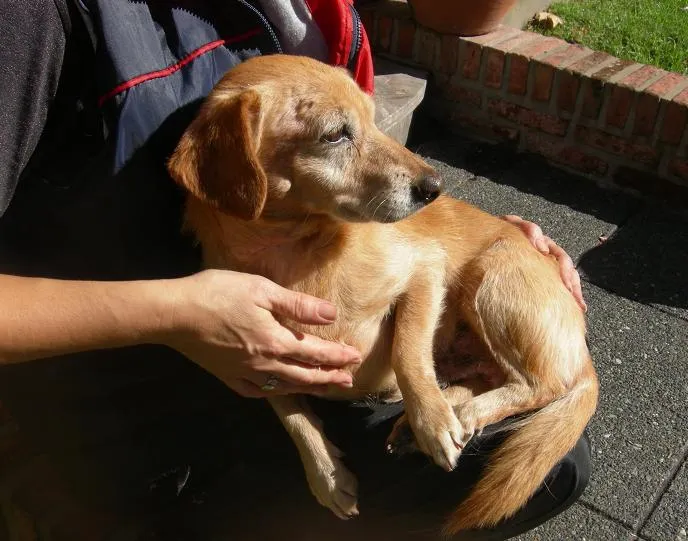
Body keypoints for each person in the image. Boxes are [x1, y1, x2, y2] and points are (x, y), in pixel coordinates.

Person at [0, 1, 589, 539]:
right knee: (536, 468)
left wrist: (487, 237)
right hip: (138, 418)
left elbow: (397, 229)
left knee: (554, 459)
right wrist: (175, 314)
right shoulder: (35, 22)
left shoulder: (305, 13)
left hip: (344, 356)